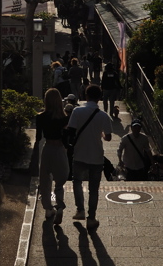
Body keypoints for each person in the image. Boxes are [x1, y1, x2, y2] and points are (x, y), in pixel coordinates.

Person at [66, 84, 112, 230]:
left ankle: (80, 210)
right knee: (94, 189)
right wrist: (101, 134)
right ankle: (91, 218)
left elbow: (71, 131)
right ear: (100, 98)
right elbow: (109, 137)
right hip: (96, 157)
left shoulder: (77, 111)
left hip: (79, 153)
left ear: (86, 96)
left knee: (77, 181)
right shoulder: (103, 116)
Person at [34, 87, 70, 224]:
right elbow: (67, 139)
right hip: (59, 149)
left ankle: (48, 209)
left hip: (47, 148)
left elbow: (38, 137)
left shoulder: (40, 117)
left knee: (45, 180)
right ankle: (59, 205)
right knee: (60, 181)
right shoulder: (64, 119)